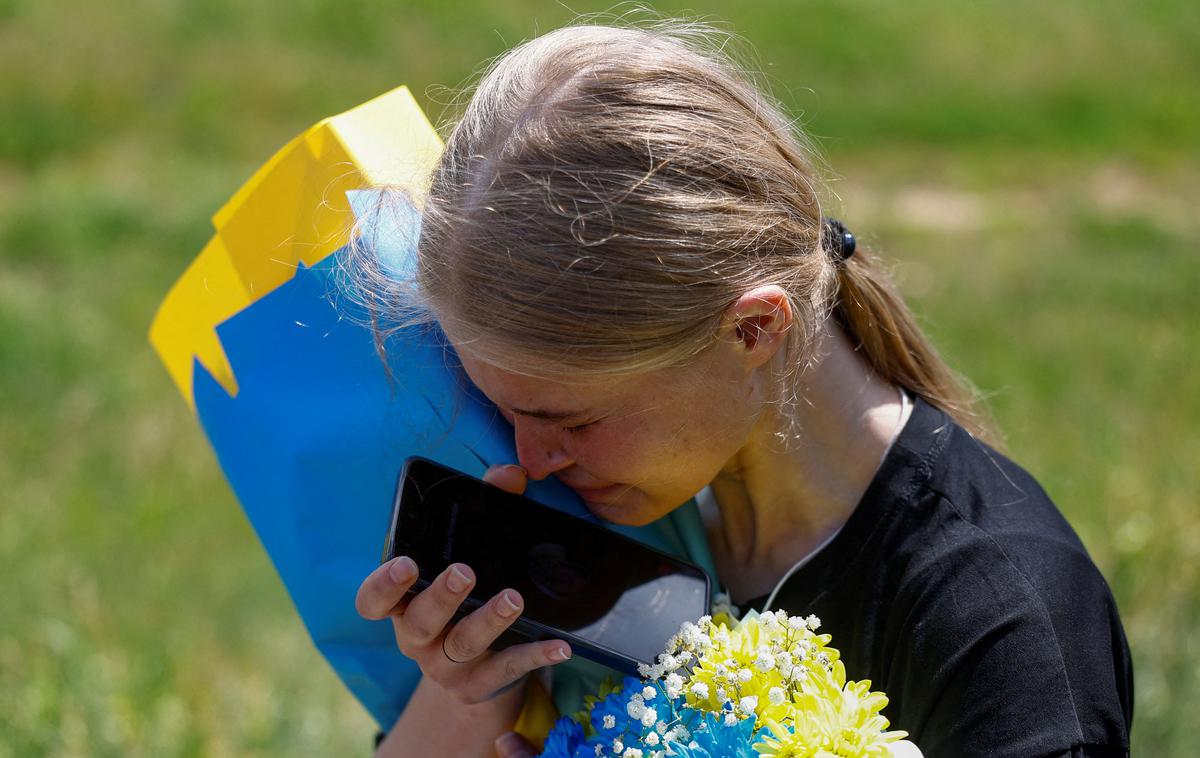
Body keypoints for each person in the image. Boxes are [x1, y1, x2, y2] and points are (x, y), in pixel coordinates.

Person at [352, 20, 1133, 758]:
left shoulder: (1001, 622)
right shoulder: (616, 520)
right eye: (504, 409)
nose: (532, 459)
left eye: (574, 420)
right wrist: (471, 693)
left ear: (752, 331)